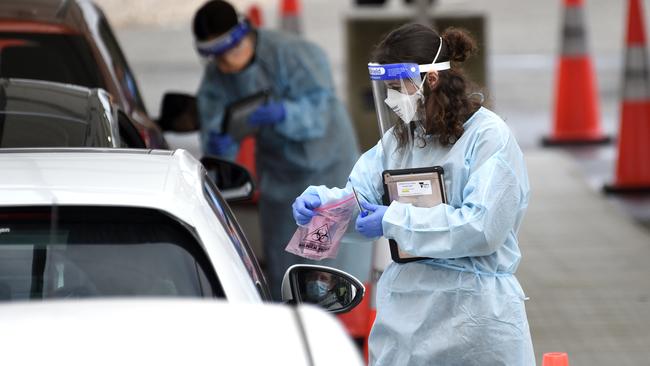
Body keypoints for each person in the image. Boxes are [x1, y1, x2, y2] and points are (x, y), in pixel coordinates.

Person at [292, 24, 535, 365]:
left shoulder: (489, 138)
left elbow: (482, 228)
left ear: (431, 79)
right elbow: (360, 201)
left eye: (397, 88)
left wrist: (394, 219)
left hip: (476, 319)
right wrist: (324, 211)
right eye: (387, 89)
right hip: (407, 322)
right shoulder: (400, 140)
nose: (392, 99)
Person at [192, 1, 362, 300]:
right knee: (286, 267)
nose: (227, 66)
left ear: (245, 33)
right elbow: (216, 135)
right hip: (280, 177)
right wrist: (221, 146)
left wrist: (286, 113)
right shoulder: (215, 81)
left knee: (324, 267)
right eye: (217, 58)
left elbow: (321, 111)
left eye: (231, 52)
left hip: (328, 168)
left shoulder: (294, 54)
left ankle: (330, 327)